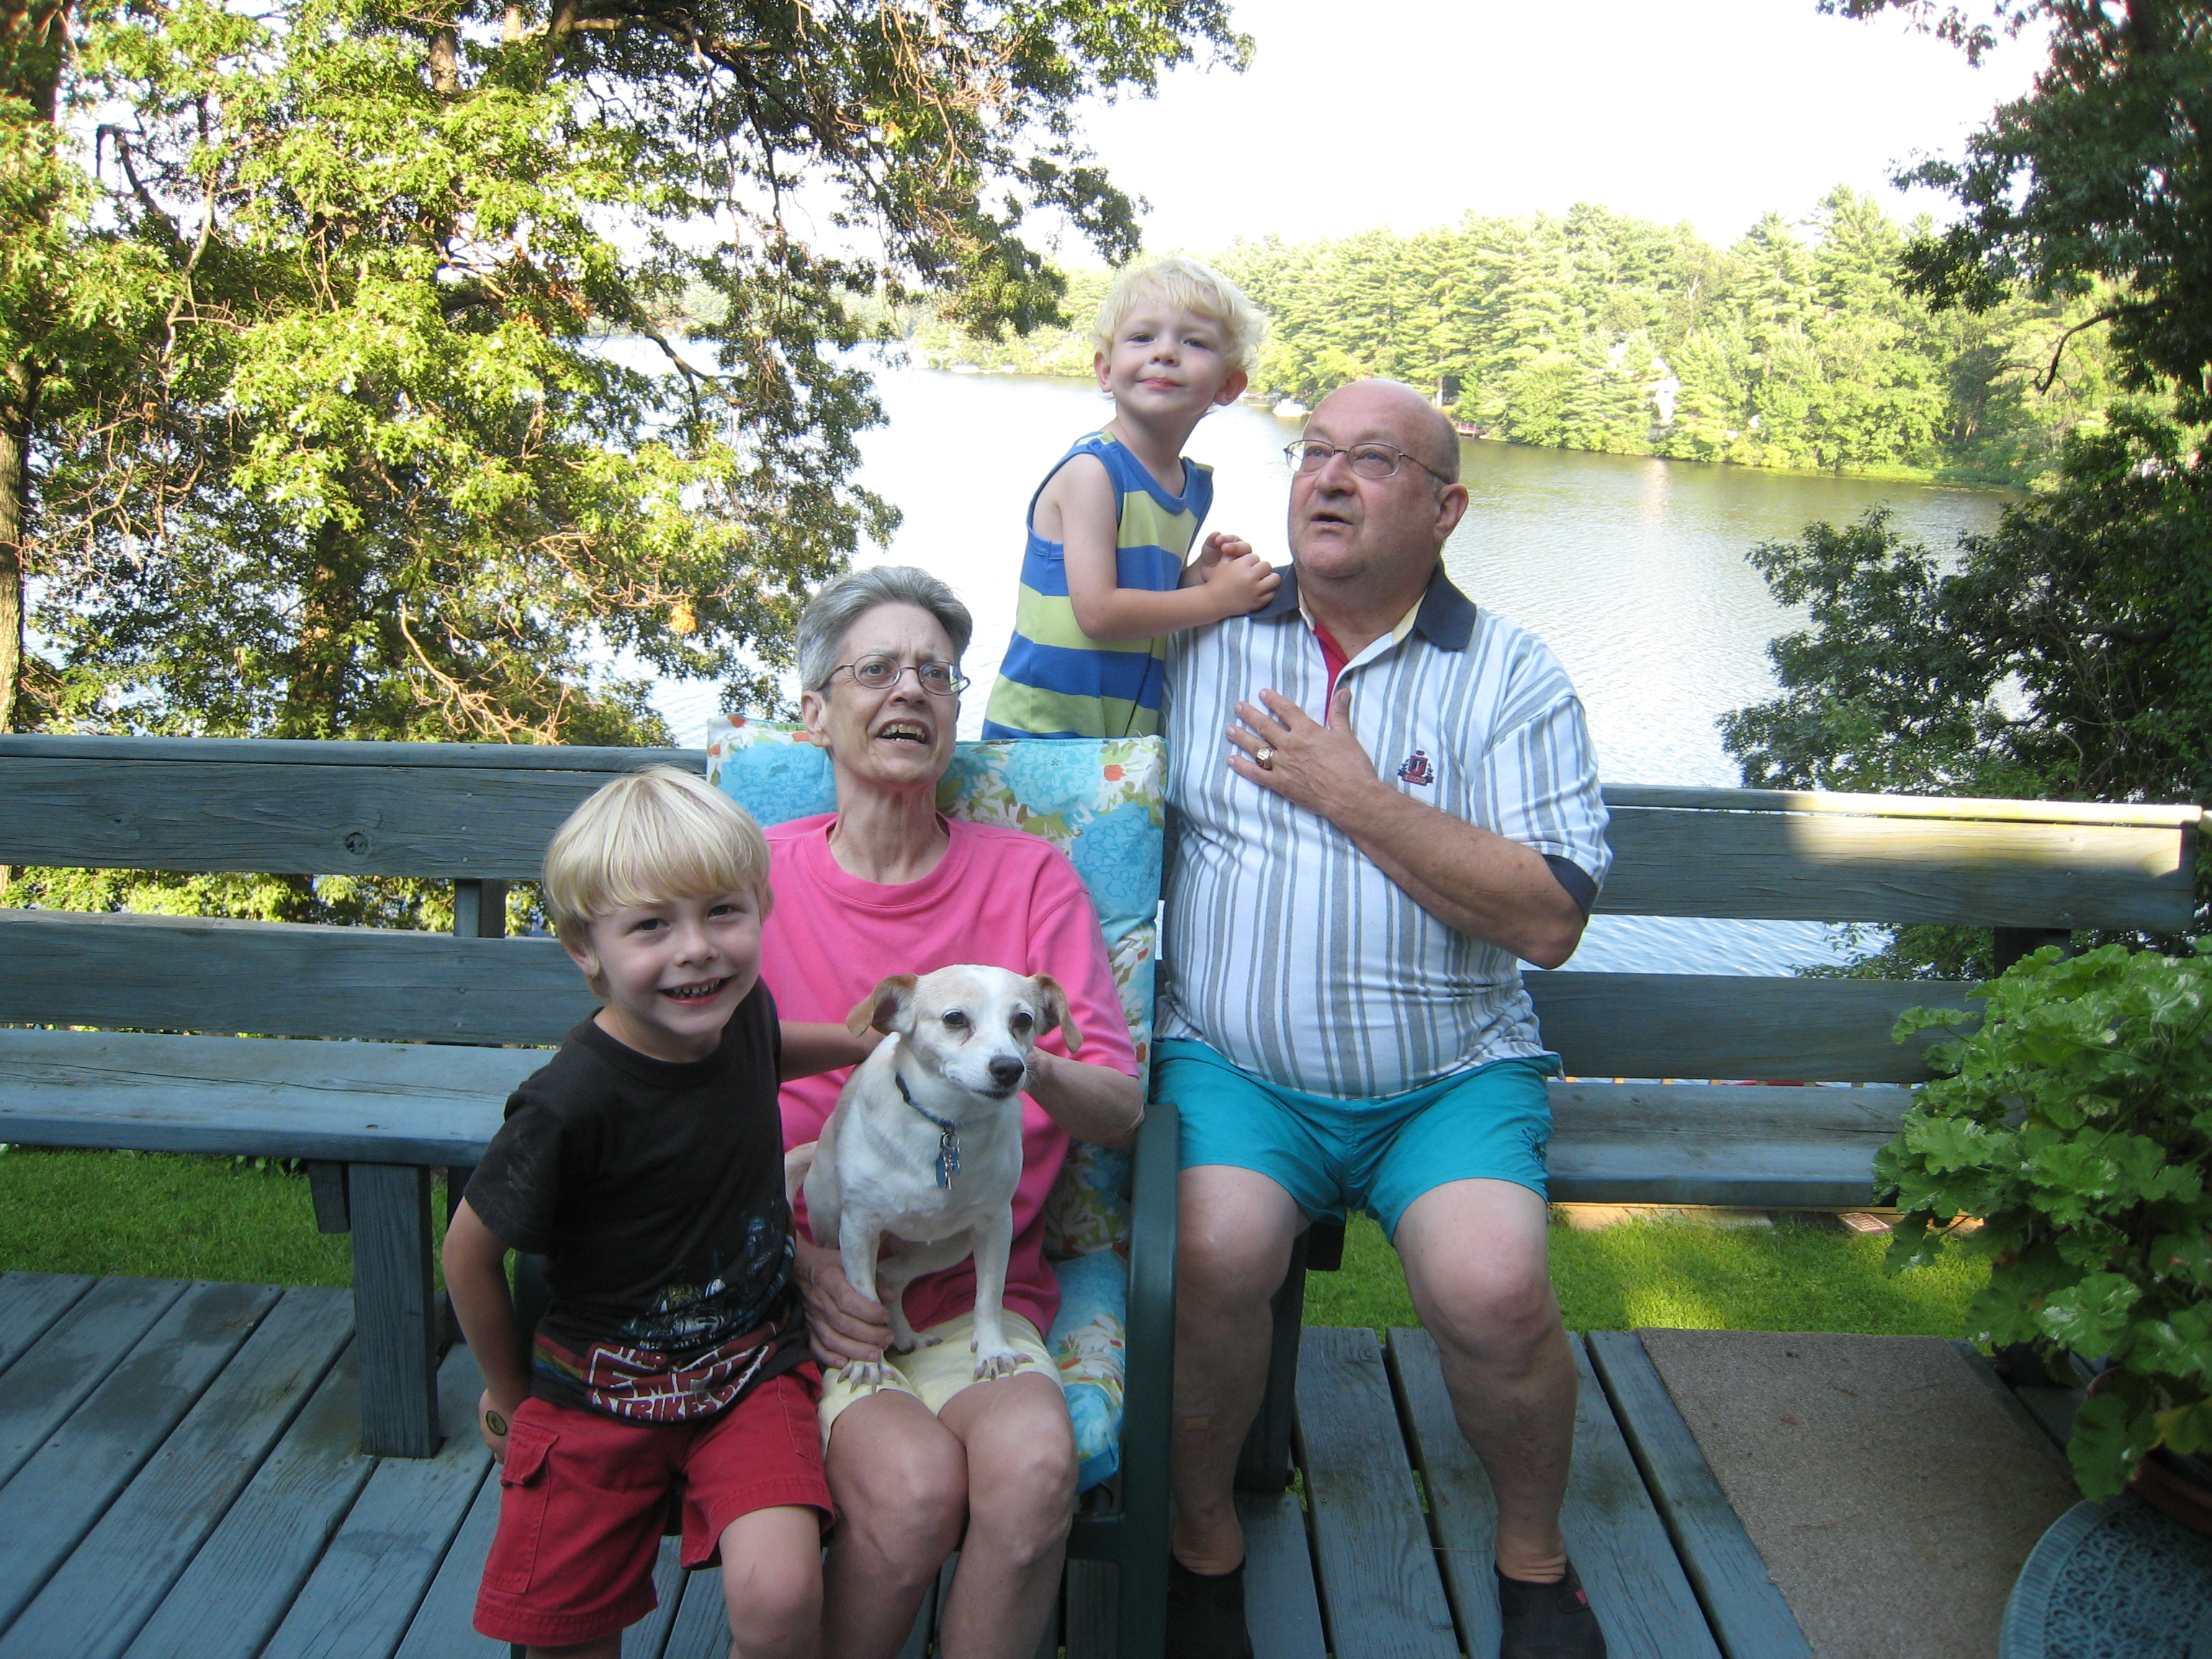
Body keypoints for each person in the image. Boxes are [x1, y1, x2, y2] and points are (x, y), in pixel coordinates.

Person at [1157, 380, 1614, 1659]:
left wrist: (1352, 793)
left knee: (1495, 1289)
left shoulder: (1510, 673)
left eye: (1373, 458)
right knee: (1208, 1256)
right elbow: (1059, 695)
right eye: (1314, 453)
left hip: (1447, 1077)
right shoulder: (1205, 632)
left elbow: (1549, 918)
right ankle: (1202, 1548)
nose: (1329, 477)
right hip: (1234, 1068)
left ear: (1445, 508)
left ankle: (1535, 1563)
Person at [762, 566, 1147, 1659]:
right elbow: (679, 1095)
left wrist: (1014, 1058)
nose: (911, 691)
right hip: (814, 1288)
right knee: (914, 1492)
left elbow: (1118, 1105)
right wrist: (798, 1268)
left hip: (984, 1293)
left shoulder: (1029, 881)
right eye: (877, 669)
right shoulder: (754, 882)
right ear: (815, 713)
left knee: (1034, 1475)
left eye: (936, 674)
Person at [443, 767, 830, 1659]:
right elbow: (468, 1254)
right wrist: (509, 1398)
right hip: (597, 1391)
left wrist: (875, 1035)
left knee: (781, 1596)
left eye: (723, 912)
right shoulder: (568, 1106)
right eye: (652, 925)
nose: (698, 950)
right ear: (585, 948)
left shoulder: (743, 1015)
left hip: (750, 1369)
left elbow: (766, 1053)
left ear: (762, 910)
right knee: (562, 1631)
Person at [981, 256, 1282, 740]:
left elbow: (1148, 595)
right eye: (1143, 337)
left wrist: (1196, 577)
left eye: (1194, 342)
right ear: (1105, 370)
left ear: (1228, 386)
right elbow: (1099, 612)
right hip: (1039, 734)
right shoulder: (1093, 471)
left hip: (1119, 737)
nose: (1165, 352)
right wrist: (1214, 599)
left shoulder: (1192, 487)